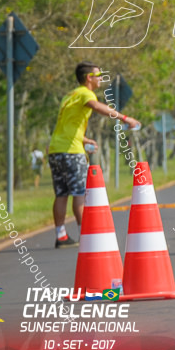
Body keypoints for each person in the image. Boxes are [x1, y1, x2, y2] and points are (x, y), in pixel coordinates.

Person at [48, 62, 140, 248]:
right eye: (98, 75)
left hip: (56, 150)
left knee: (61, 194)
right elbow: (97, 106)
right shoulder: (86, 94)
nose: (100, 79)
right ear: (89, 78)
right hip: (71, 152)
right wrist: (124, 118)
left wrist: (84, 139)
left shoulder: (69, 95)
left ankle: (61, 235)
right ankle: (87, 237)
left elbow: (68, 125)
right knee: (80, 193)